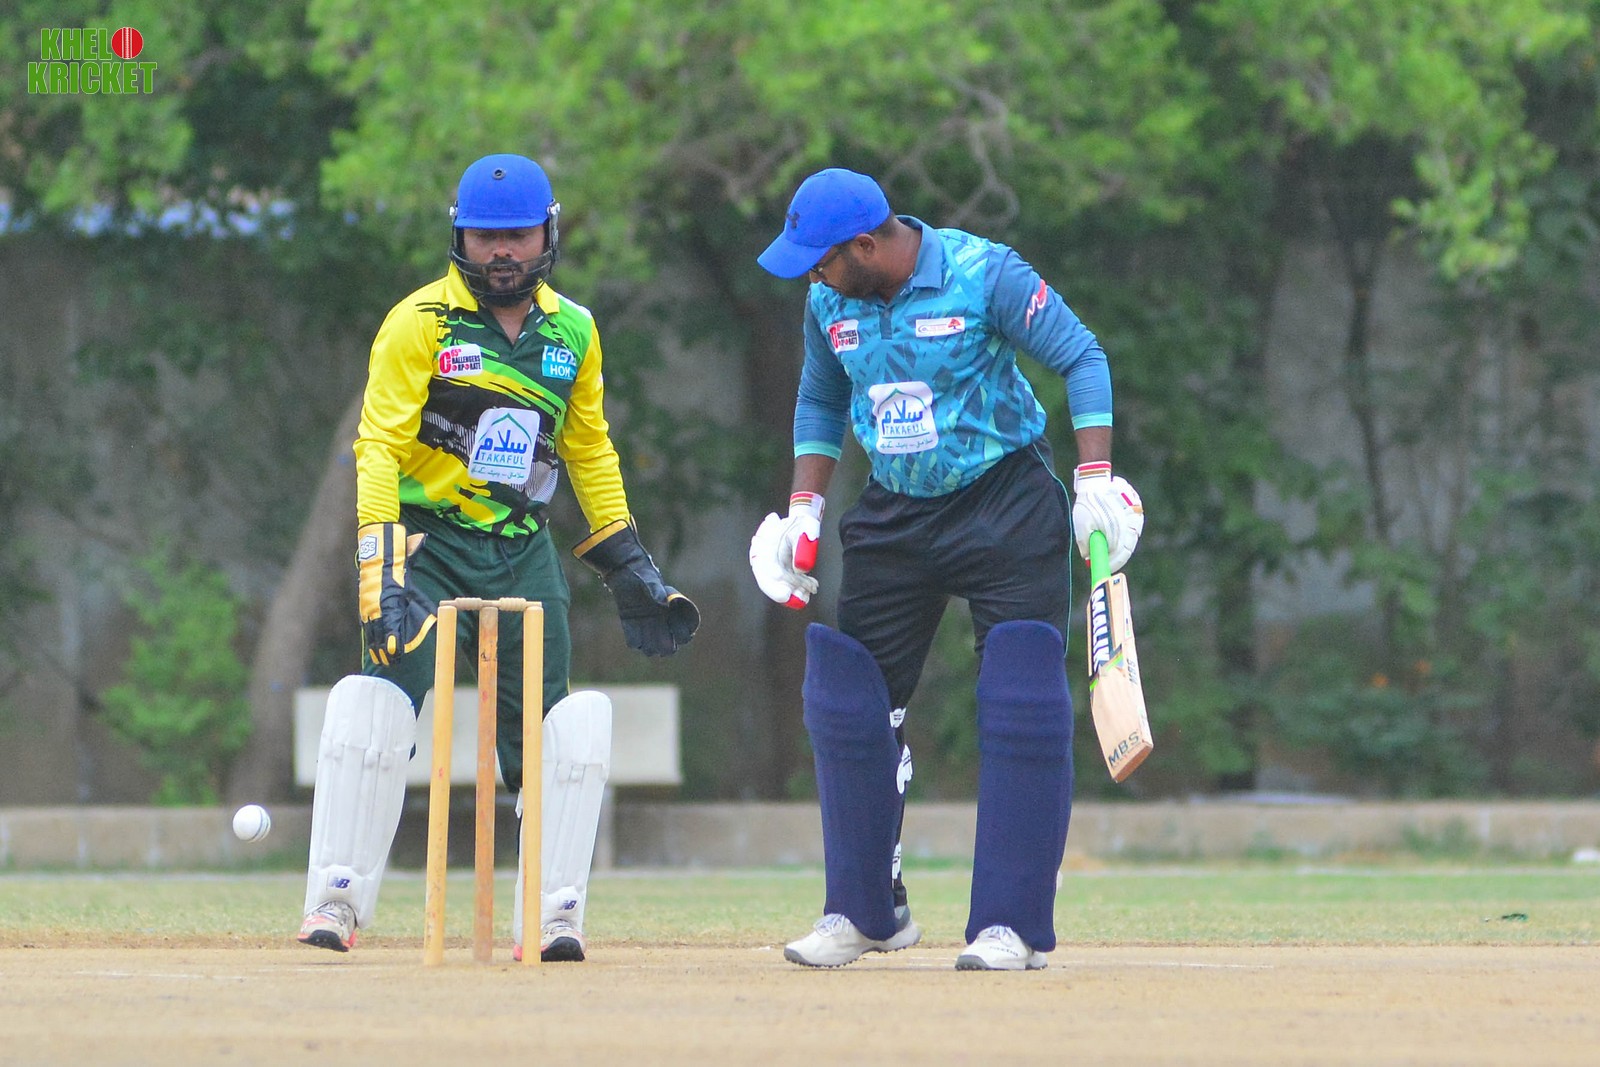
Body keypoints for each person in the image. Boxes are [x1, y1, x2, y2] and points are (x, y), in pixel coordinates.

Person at [298, 152, 698, 962]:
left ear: (548, 233)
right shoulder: (420, 322)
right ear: (460, 236)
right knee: (381, 699)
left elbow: (588, 447)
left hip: (520, 546)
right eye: (485, 236)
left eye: (516, 235)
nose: (502, 251)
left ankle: (552, 912)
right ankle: (336, 897)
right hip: (424, 538)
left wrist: (627, 558)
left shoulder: (573, 330)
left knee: (549, 725)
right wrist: (379, 568)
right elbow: (377, 448)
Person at [749, 168, 1143, 971]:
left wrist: (1096, 478)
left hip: (1005, 498)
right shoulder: (830, 302)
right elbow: (821, 400)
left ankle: (1011, 924)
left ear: (866, 245)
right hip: (897, 508)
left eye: (821, 263)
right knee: (850, 699)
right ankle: (866, 910)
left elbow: (1083, 356)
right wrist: (803, 510)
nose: (814, 280)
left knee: (1020, 695)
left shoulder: (983, 271)